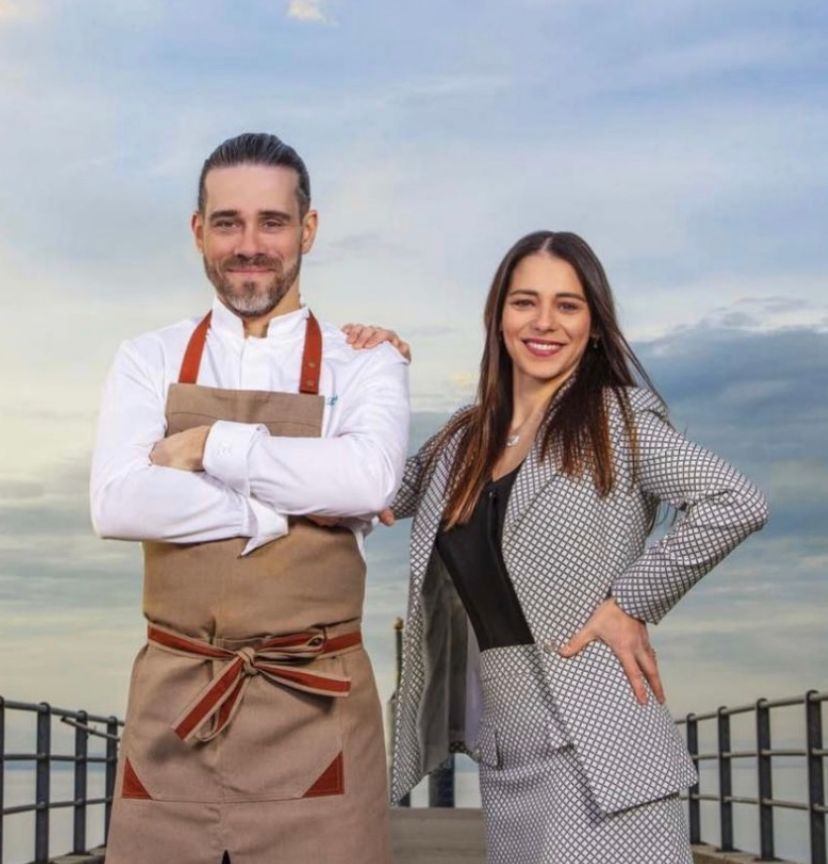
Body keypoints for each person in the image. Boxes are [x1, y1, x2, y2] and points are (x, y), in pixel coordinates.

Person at [352, 230, 769, 863]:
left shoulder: (617, 420)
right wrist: (367, 369)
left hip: (599, 744)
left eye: (568, 305)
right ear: (498, 317)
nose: (544, 322)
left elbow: (736, 500)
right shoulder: (463, 441)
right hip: (507, 744)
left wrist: (631, 602)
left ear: (595, 325)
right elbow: (371, 486)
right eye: (524, 302)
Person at [90, 132, 409, 864]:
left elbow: (367, 480)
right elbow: (118, 502)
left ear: (309, 228)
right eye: (228, 222)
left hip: (318, 704)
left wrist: (207, 449)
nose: (250, 244)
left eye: (272, 221)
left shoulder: (366, 357)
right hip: (176, 708)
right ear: (198, 231)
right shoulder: (148, 357)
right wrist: (276, 508)